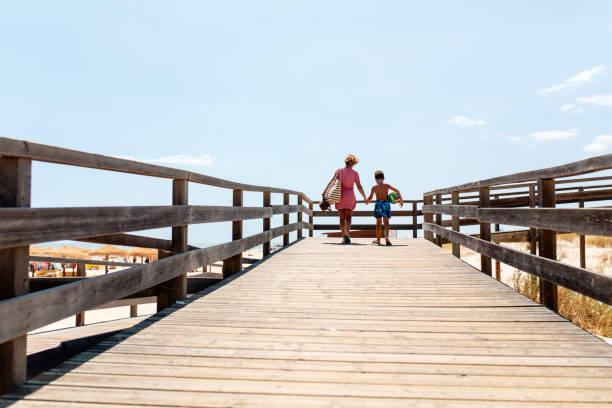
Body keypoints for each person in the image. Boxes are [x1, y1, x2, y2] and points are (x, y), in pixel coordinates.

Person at [322, 154, 366, 244]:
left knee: (342, 218)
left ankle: (343, 237)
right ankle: (347, 233)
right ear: (353, 163)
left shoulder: (339, 171)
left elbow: (331, 182)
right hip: (350, 196)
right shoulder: (355, 173)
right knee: (349, 218)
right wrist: (364, 196)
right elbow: (359, 186)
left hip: (339, 196)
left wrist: (324, 191)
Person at [365, 170, 403, 246]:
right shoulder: (387, 185)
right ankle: (386, 238)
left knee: (378, 223)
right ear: (383, 178)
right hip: (386, 204)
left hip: (378, 204)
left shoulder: (374, 187)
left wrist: (367, 201)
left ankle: (378, 240)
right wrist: (401, 200)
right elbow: (397, 191)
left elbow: (370, 197)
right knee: (386, 222)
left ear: (375, 179)